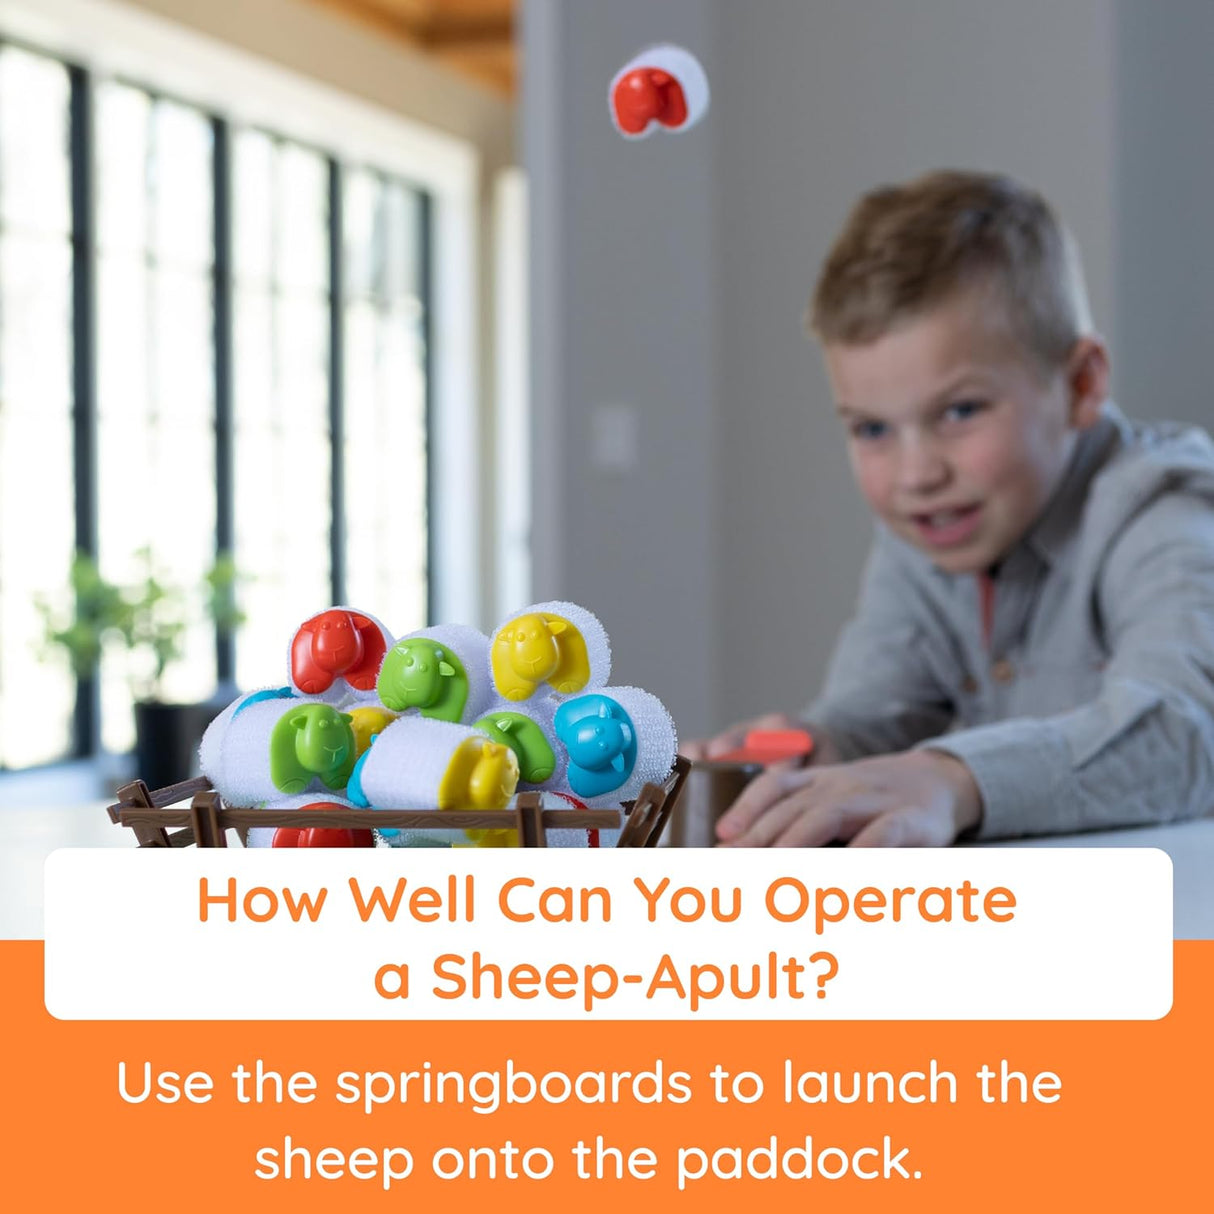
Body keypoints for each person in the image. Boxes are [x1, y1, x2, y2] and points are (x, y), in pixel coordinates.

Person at [686, 170, 1214, 847]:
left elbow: (1185, 730)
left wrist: (952, 778)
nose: (916, 475)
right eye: (871, 429)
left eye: (960, 411)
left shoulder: (1166, 512)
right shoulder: (929, 530)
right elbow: (878, 710)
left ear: (1081, 384)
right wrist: (812, 748)